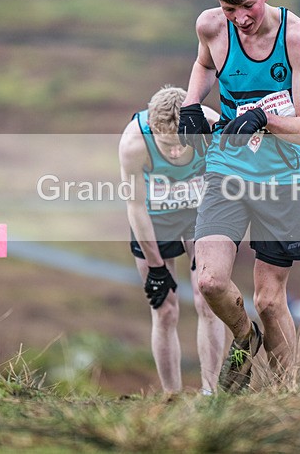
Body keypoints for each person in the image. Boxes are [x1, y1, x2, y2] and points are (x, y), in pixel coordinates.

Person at [177, 0, 300, 392]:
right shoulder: (210, 27)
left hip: (281, 176)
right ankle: (244, 336)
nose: (240, 18)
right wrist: (189, 104)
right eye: (229, 9)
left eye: (249, 6)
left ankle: (290, 399)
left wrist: (264, 119)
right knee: (210, 281)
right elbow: (204, 64)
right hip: (227, 169)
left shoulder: (296, 37)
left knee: (269, 300)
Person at [119, 85, 225, 394]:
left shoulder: (208, 126)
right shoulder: (134, 144)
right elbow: (135, 207)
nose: (176, 152)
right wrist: (156, 268)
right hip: (155, 218)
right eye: (167, 146)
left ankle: (210, 394)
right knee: (165, 309)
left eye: (181, 144)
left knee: (208, 300)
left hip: (197, 213)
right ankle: (171, 397)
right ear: (153, 131)